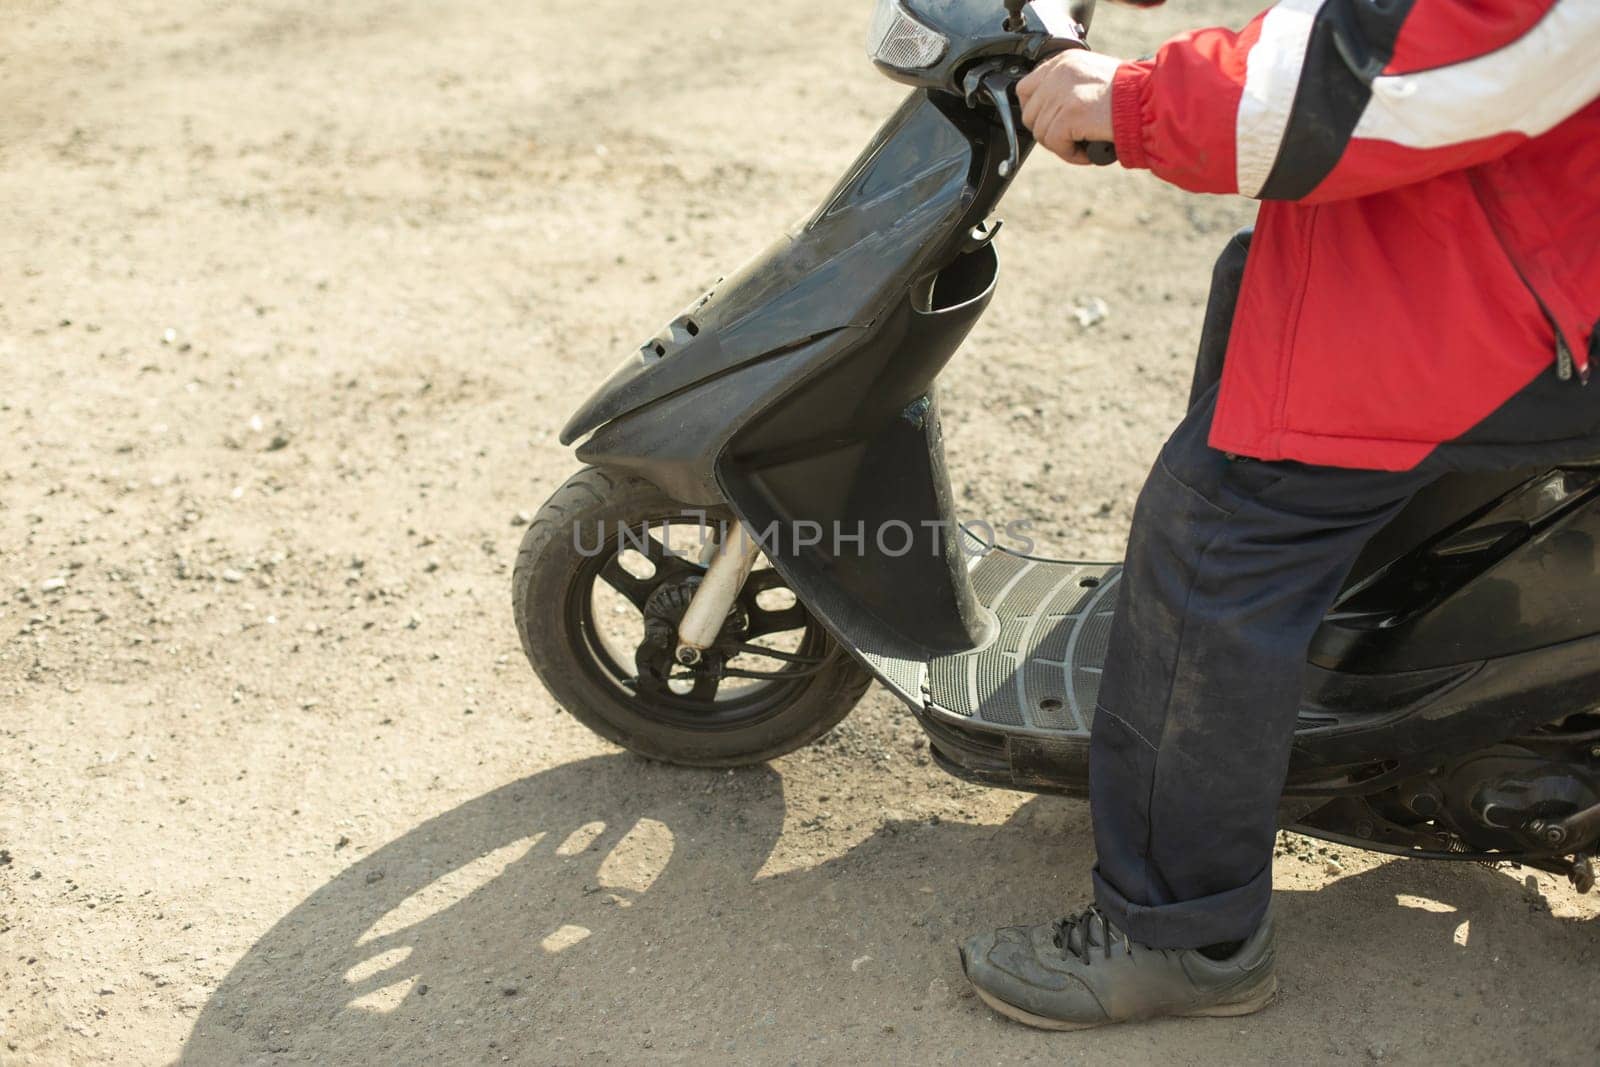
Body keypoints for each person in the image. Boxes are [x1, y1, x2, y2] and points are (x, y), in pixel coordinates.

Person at [956, 0, 1600, 1031]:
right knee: (1249, 282)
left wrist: (1138, 100)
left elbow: (1385, 67)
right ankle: (1239, 725)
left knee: (1218, 529)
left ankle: (1180, 933)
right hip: (1522, 207)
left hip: (1538, 277)